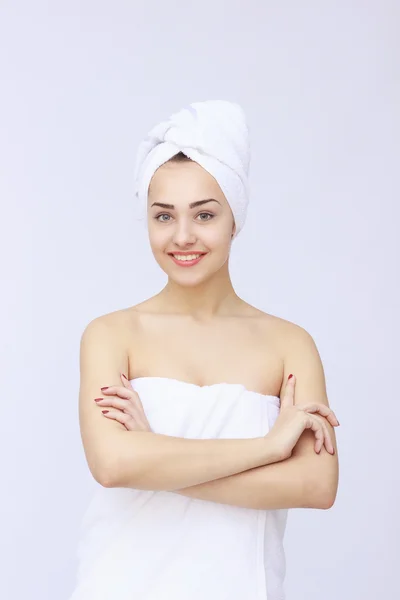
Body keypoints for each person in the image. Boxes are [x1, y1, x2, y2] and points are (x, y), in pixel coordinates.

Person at [69, 100, 339, 600]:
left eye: (205, 214)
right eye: (163, 216)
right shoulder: (111, 334)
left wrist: (154, 458)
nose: (183, 236)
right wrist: (267, 450)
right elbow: (112, 465)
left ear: (234, 219)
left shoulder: (288, 344)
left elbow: (315, 486)